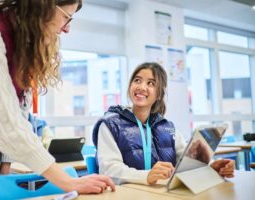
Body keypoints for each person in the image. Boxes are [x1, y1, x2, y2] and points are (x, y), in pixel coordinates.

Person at [0, 0, 115, 199]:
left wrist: (5, 166)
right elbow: (5, 122)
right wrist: (68, 182)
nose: (67, 29)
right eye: (66, 17)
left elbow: (18, 113)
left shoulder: (22, 44)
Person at [92, 62, 235, 185]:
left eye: (151, 83)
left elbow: (188, 161)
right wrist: (146, 176)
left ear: (159, 94)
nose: (142, 87)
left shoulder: (166, 127)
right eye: (137, 80)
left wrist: (210, 167)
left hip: (161, 194)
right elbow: (109, 169)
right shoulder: (110, 124)